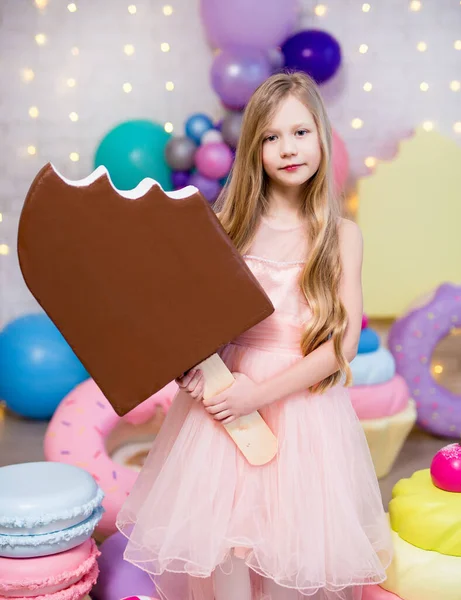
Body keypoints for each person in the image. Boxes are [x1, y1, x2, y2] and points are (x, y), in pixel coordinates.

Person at [116, 71, 393, 600]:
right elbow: (190, 318)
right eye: (270, 137)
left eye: (300, 132)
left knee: (290, 544)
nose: (287, 149)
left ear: (321, 137)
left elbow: (342, 346)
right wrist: (193, 364)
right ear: (252, 149)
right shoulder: (226, 223)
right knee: (222, 544)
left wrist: (257, 395)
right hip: (224, 405)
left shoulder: (340, 235)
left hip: (297, 405)